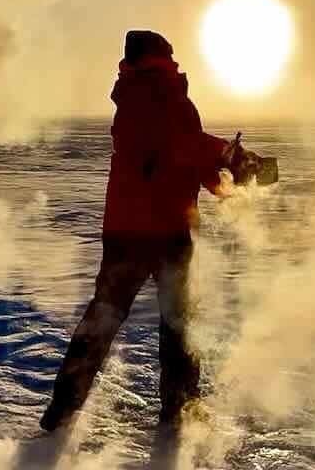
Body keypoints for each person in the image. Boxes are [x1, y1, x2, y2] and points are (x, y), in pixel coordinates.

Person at [39, 29, 243, 432]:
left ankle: (63, 410)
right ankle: (180, 411)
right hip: (163, 231)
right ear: (162, 56)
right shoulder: (158, 96)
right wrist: (226, 155)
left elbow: (180, 153)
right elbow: (181, 145)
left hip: (126, 231)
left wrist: (223, 183)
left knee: (106, 319)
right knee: (176, 322)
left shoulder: (132, 95)